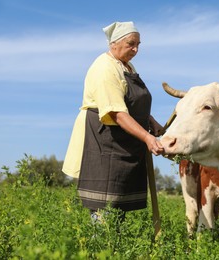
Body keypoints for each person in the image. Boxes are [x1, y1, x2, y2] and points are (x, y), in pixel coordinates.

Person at [62, 21, 164, 220]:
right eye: (131, 44)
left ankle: (113, 250)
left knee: (119, 205)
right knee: (105, 207)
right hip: (105, 140)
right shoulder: (104, 69)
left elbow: (130, 102)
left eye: (138, 45)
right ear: (113, 44)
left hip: (124, 140)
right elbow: (117, 113)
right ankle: (100, 250)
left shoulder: (127, 66)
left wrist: (150, 120)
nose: (135, 50)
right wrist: (148, 139)